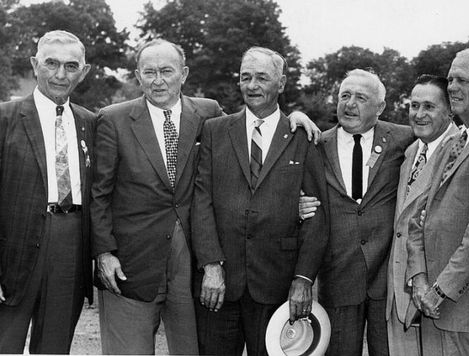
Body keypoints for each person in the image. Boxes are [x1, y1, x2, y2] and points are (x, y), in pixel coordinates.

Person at [91, 40, 319, 355]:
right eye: (150, 72)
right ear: (137, 76)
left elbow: (256, 132)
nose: (158, 81)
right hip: (133, 261)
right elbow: (99, 192)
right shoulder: (112, 118)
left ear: (183, 74)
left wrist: (295, 116)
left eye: (167, 71)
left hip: (190, 265)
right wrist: (104, 252)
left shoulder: (208, 114)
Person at [191, 46, 328, 356]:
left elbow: (318, 217)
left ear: (280, 84)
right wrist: (212, 266)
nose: (252, 86)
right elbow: (202, 203)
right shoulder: (215, 131)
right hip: (220, 284)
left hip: (276, 283)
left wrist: (303, 279)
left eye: (262, 78)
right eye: (246, 77)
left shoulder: (301, 136)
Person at [0, 30, 94, 353]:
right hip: (13, 248)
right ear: (34, 64)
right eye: (51, 63)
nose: (59, 74)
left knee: (54, 347)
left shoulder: (91, 123)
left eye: (70, 66)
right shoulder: (5, 118)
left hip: (71, 242)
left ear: (83, 72)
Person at [405, 48, 469, 355]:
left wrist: (442, 290)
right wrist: (419, 280)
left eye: (462, 79)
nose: (452, 88)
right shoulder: (454, 141)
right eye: (450, 79)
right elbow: (417, 218)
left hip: (462, 310)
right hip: (429, 303)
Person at [315, 69, 413, 356]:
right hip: (338, 274)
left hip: (388, 277)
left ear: (380, 107)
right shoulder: (317, 143)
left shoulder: (404, 139)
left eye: (360, 97)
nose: (350, 104)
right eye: (345, 96)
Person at [385, 74, 459, 356]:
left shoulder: (462, 148)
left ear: (450, 109)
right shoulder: (410, 151)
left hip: (437, 297)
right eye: (414, 106)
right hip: (399, 297)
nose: (418, 114)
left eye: (429, 106)